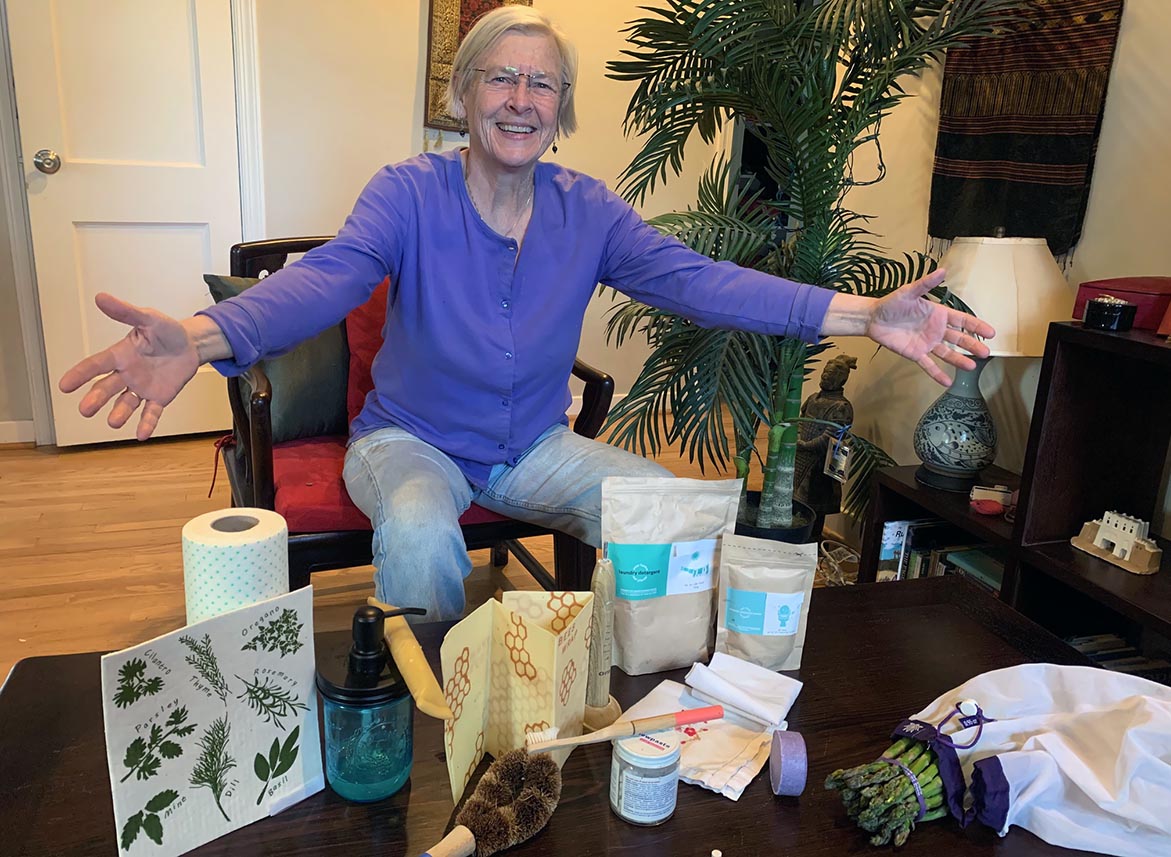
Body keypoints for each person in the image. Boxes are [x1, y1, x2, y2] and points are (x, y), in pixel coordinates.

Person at [58, 7, 993, 620]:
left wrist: (864, 313)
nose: (519, 99)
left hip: (534, 447)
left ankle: (634, 699)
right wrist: (203, 333)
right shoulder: (408, 193)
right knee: (422, 532)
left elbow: (704, 281)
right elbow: (330, 278)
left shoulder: (588, 211)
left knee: (669, 510)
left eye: (540, 84)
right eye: (499, 79)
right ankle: (433, 729)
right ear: (464, 96)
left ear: (560, 110)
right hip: (409, 442)